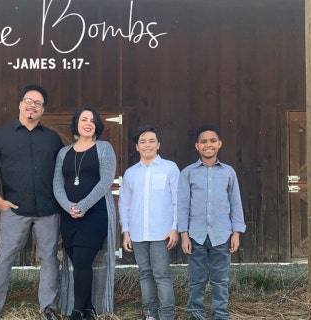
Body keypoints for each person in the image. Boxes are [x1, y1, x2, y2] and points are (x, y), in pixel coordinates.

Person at [0, 84, 64, 320]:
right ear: (20, 104)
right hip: (14, 209)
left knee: (49, 259)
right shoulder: (0, 137)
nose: (32, 106)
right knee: (4, 258)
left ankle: (47, 308)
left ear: (43, 110)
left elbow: (63, 172)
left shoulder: (53, 139)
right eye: (29, 100)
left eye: (38, 103)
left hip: (48, 210)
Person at [53, 106, 117, 320]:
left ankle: (77, 311)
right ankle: (89, 309)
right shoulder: (64, 153)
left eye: (92, 120)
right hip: (69, 215)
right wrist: (68, 206)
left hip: (94, 213)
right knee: (78, 261)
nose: (88, 123)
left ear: (97, 125)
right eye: (84, 119)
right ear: (76, 124)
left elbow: (106, 180)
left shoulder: (104, 148)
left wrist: (83, 205)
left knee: (82, 259)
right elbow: (57, 183)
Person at [178, 124, 246, 320]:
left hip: (222, 235)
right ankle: (196, 315)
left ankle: (220, 315)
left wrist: (236, 233)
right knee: (196, 280)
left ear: (220, 144)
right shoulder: (188, 173)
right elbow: (183, 206)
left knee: (220, 280)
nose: (208, 145)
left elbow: (235, 203)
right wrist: (184, 235)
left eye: (213, 141)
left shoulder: (228, 172)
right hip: (196, 235)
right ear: (197, 146)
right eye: (204, 141)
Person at [118, 125, 179, 320]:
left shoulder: (170, 168)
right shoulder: (131, 173)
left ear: (158, 144)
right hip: (137, 233)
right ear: (137, 147)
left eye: (151, 141)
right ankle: (150, 314)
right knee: (145, 273)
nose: (147, 145)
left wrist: (174, 228)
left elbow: (178, 200)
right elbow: (124, 204)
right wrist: (126, 231)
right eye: (142, 142)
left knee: (161, 274)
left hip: (162, 233)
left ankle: (167, 315)